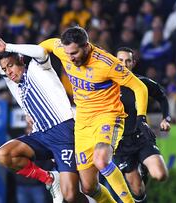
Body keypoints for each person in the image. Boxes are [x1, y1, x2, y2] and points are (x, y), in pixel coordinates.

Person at [39, 26, 153, 203]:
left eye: (75, 53)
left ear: (86, 46)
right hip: (83, 123)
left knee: (101, 160)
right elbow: (46, 45)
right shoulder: (64, 50)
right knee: (88, 187)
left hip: (108, 116)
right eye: (68, 53)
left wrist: (142, 117)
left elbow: (140, 87)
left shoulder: (107, 63)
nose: (70, 58)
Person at [0, 38, 92, 203]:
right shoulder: (17, 87)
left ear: (21, 60)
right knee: (3, 155)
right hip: (40, 136)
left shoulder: (38, 68)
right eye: (5, 69)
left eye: (11, 65)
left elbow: (41, 51)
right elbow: (1, 70)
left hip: (63, 133)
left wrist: (7, 46)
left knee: (71, 195)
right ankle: (49, 178)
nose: (9, 72)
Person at [114, 47, 170, 202]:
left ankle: (143, 168)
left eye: (128, 61)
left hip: (141, 136)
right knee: (137, 190)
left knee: (160, 175)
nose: (124, 64)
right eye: (120, 61)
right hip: (120, 143)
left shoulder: (142, 83)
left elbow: (162, 97)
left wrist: (166, 118)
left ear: (133, 63)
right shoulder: (107, 84)